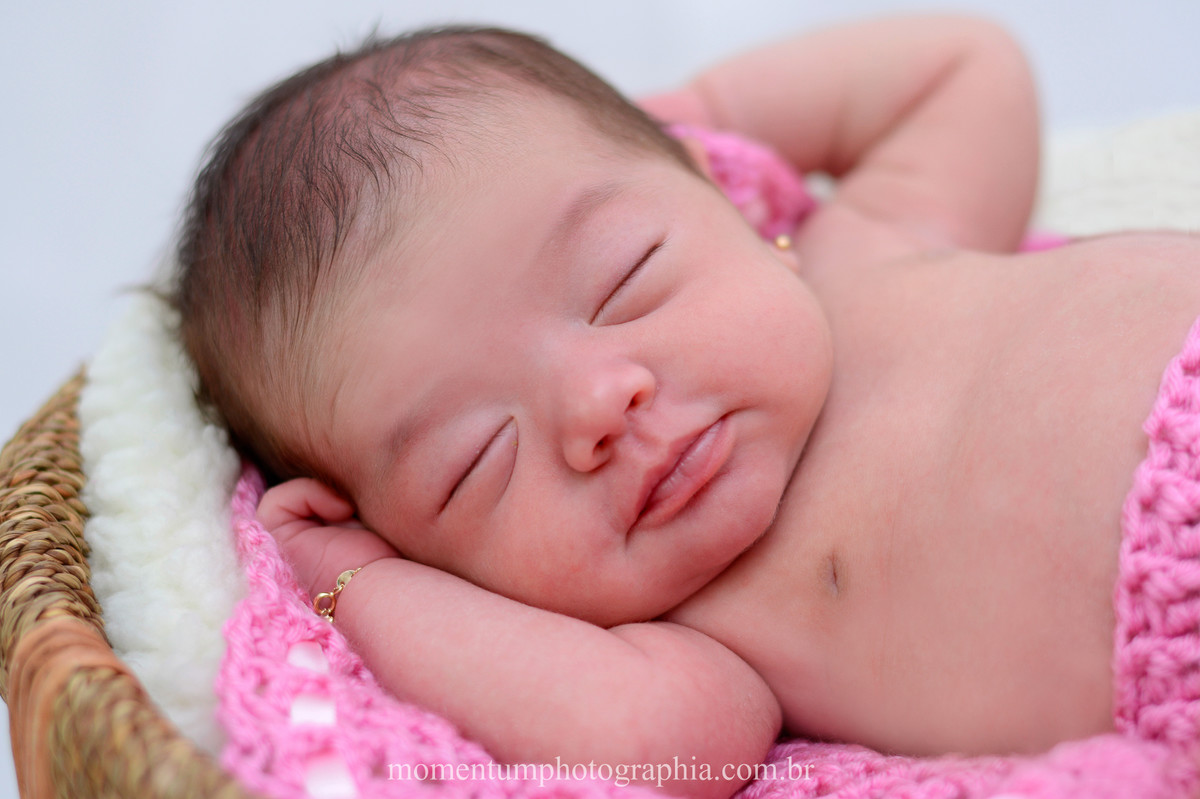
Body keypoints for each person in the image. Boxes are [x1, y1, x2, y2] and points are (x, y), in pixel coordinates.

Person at [173, 15, 1200, 798]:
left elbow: (961, 68)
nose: (598, 405)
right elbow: (663, 751)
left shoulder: (861, 251)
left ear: (720, 198)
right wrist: (355, 581)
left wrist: (701, 103)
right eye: (478, 459)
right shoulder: (694, 632)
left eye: (628, 278)